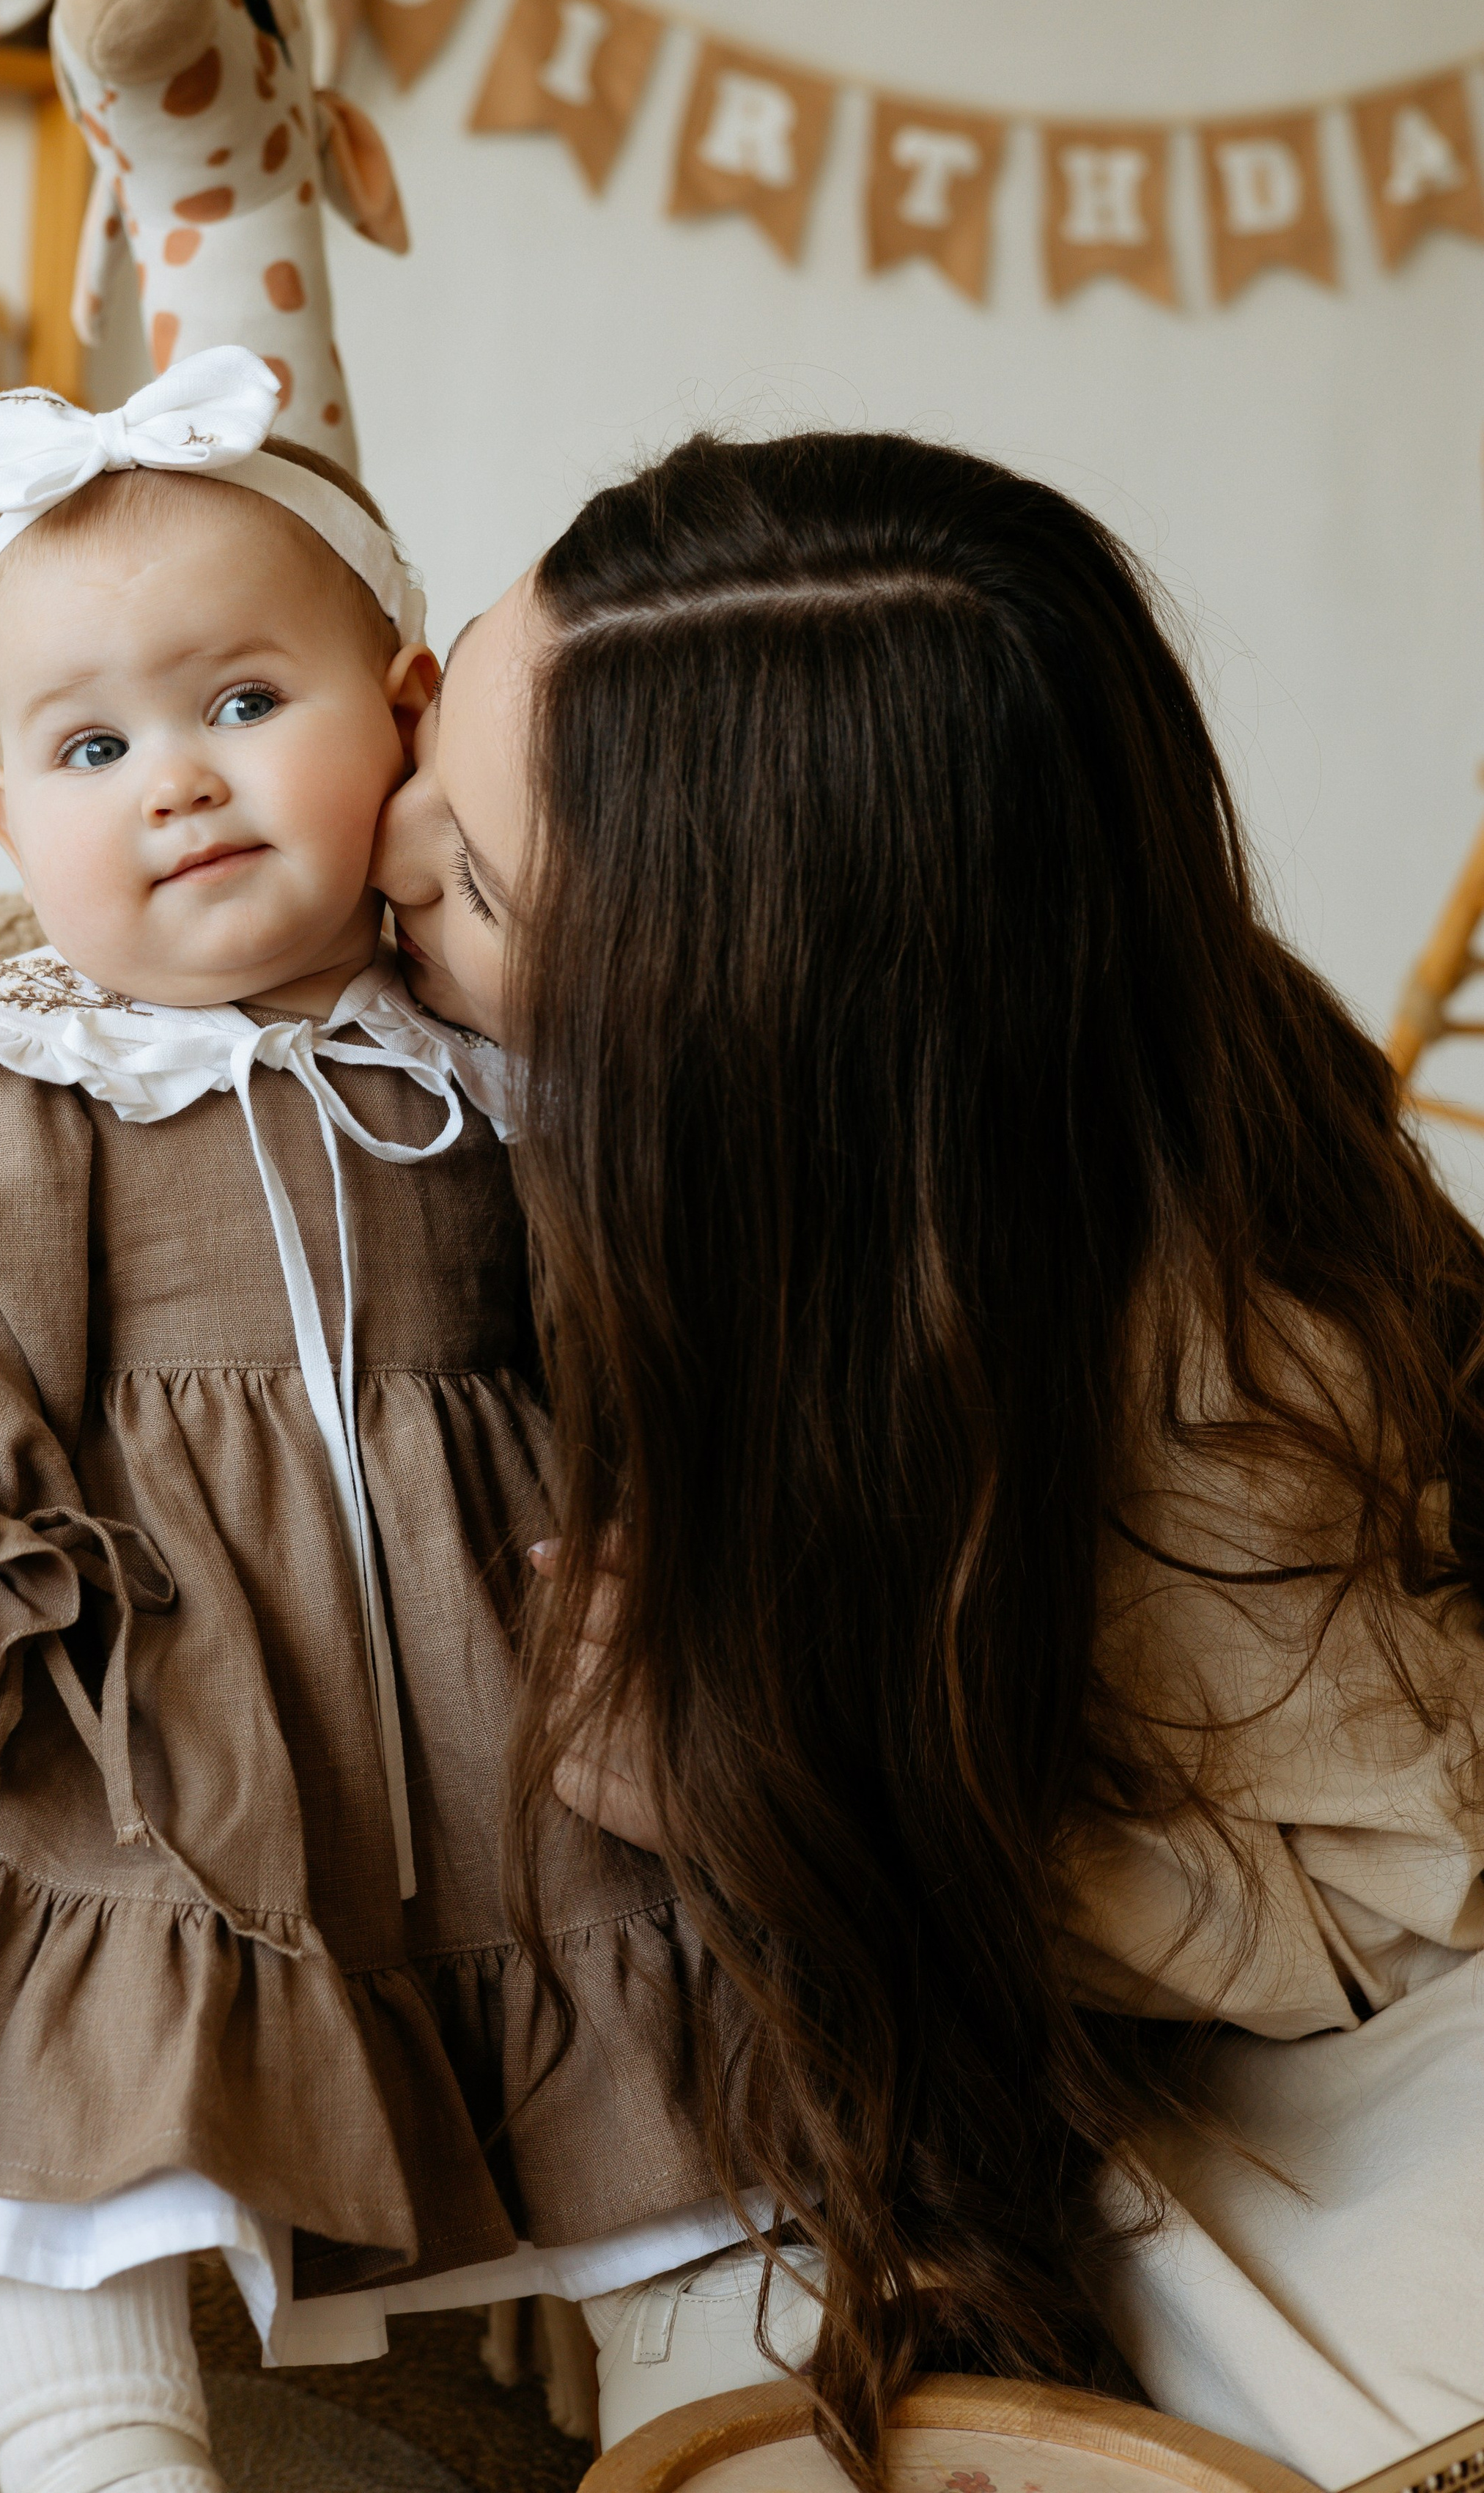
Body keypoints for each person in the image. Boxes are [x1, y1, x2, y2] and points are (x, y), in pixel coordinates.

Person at [0, 353, 748, 2493]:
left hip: (504, 1670)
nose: (179, 785)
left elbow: (646, 1312)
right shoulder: (4, 1072)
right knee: (75, 2093)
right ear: (4, 824)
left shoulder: (501, 1039)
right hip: (156, 1696)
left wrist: (666, 1523)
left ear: (409, 718)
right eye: (94, 746)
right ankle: (105, 2445)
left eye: (247, 704)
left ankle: (714, 2404)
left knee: (664, 2040)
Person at [371, 427, 1484, 2491]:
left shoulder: (1204, 1357)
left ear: (749, 1032)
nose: (390, 838)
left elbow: (1398, 1896)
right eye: (437, 710)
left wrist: (752, 1784)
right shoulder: (665, 1134)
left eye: (487, 876)